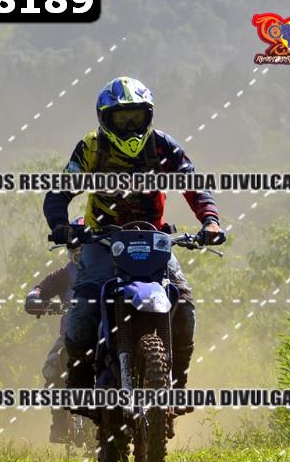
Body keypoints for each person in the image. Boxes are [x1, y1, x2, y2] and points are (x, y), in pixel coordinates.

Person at [43, 76, 225, 404]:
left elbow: (194, 184)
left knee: (184, 305)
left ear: (148, 115)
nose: (129, 127)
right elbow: (59, 192)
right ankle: (80, 387)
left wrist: (210, 221)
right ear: (105, 118)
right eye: (121, 118)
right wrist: (60, 225)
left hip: (154, 239)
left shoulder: (162, 145)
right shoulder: (91, 147)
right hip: (101, 241)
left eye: (136, 117)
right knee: (83, 310)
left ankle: (177, 385)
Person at [24, 242, 81, 442]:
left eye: (89, 251)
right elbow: (39, 290)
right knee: (52, 365)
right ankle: (59, 425)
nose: (83, 258)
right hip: (71, 336)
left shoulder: (111, 271)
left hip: (107, 336)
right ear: (71, 253)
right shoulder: (64, 275)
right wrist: (34, 298)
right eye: (78, 253)